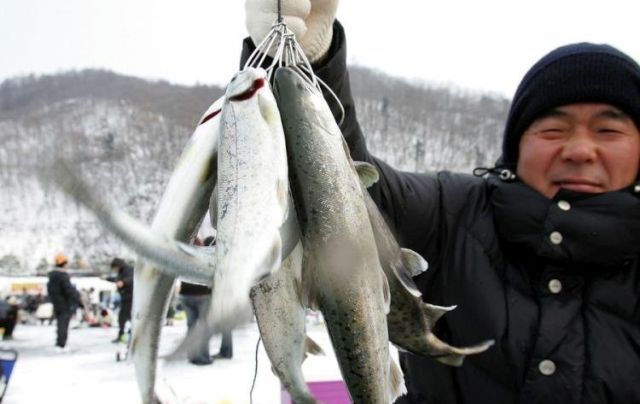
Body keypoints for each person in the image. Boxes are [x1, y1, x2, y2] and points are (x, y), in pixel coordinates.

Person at [244, 2, 640, 403]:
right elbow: (343, 186)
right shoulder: (453, 211)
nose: (580, 150)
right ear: (517, 144)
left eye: (608, 129)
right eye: (554, 128)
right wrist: (310, 65)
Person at [178, 236, 233, 365]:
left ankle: (193, 355)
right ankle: (203, 357)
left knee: (192, 327)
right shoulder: (206, 256)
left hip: (186, 296)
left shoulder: (180, 254)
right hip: (203, 296)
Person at [46, 253, 82, 351]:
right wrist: (78, 298)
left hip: (56, 302)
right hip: (64, 303)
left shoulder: (52, 276)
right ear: (64, 263)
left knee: (60, 323)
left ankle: (59, 341)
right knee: (63, 323)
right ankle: (61, 343)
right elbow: (68, 289)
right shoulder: (63, 275)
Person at [109, 258, 133, 343]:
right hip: (124, 297)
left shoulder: (128, 270)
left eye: (115, 268)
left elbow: (130, 279)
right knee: (122, 318)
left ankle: (129, 334)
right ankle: (122, 334)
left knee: (129, 317)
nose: (115, 270)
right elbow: (116, 279)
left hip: (131, 297)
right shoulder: (120, 272)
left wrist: (123, 282)